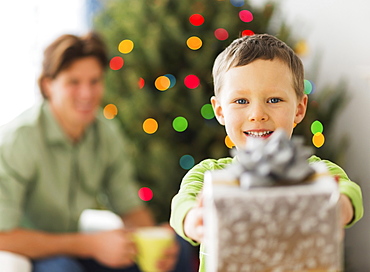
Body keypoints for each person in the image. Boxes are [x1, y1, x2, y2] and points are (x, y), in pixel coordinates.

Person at [169, 33, 364, 272]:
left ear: (299, 109)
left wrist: (340, 206)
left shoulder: (315, 173)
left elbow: (349, 191)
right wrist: (192, 219)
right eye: (241, 101)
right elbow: (182, 202)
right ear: (219, 111)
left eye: (274, 99)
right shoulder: (209, 174)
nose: (257, 114)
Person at [0, 32, 192, 272]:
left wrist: (153, 240)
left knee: (177, 246)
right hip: (28, 251)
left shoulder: (105, 131)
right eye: (74, 82)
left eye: (94, 81)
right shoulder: (19, 139)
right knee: (63, 268)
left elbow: (129, 206)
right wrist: (88, 245)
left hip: (76, 245)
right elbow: (2, 236)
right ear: (48, 85)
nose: (87, 94)